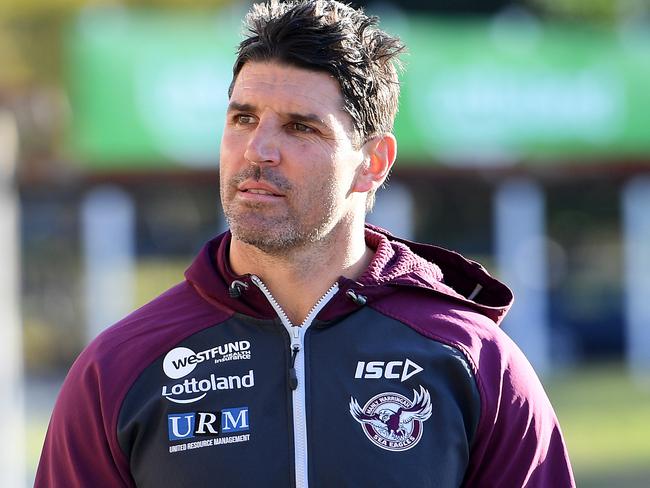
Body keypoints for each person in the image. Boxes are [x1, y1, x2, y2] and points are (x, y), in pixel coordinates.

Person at [36, 1, 575, 486]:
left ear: (374, 163)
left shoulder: (474, 362)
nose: (258, 150)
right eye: (243, 118)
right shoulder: (119, 368)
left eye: (301, 128)